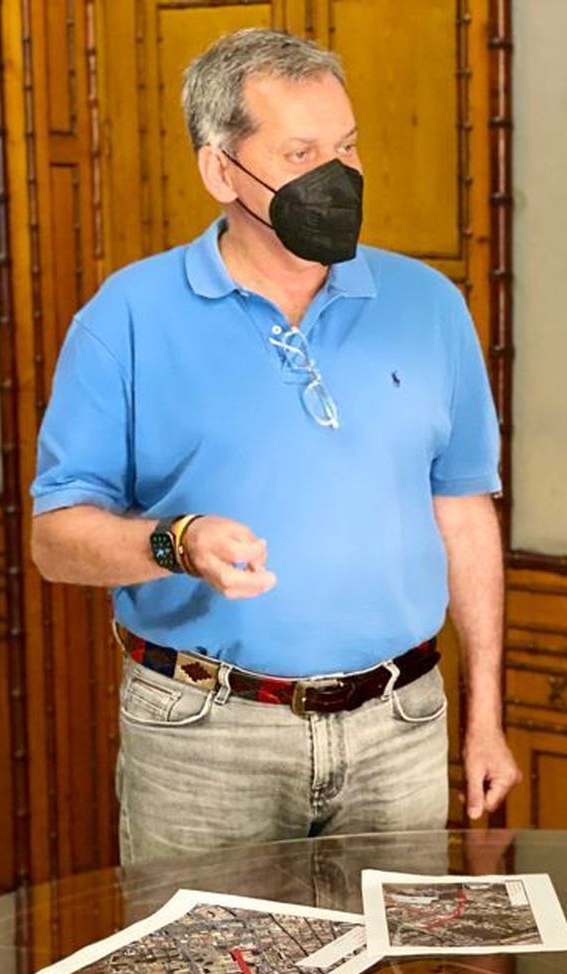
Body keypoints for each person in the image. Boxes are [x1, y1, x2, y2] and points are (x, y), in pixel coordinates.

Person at [30, 29, 519, 864]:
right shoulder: (126, 318)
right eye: (301, 152)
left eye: (348, 146)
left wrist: (486, 719)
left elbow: (465, 515)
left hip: (399, 727)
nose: (338, 175)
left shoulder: (429, 305)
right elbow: (55, 542)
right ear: (222, 171)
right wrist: (175, 543)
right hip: (204, 737)